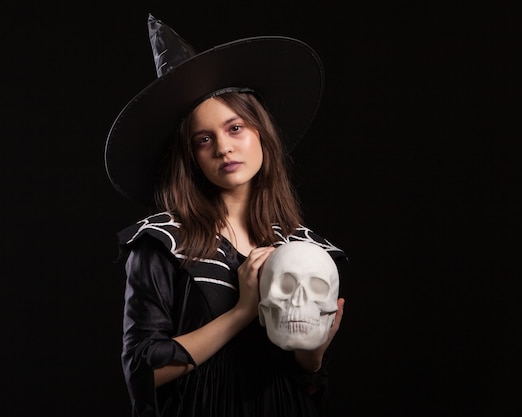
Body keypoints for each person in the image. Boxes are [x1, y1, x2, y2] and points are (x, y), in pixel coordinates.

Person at [105, 14, 349, 417]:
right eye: (204, 140)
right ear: (191, 157)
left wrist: (314, 352)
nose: (223, 148)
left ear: (261, 133)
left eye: (235, 128)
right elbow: (141, 370)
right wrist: (242, 311)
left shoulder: (301, 246)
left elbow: (308, 382)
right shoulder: (162, 243)